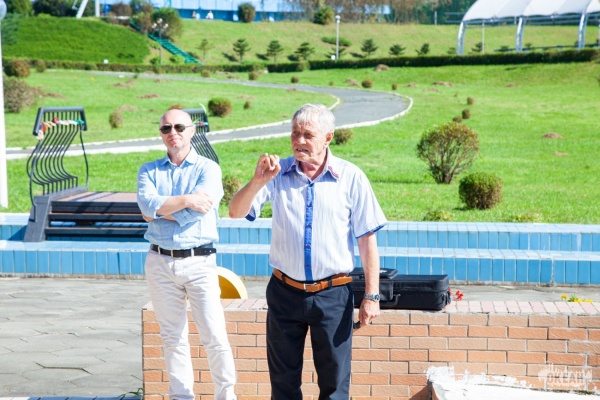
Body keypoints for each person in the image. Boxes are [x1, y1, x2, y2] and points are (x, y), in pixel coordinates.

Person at [228, 103, 386, 399]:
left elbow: (367, 240)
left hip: (333, 295)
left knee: (335, 385)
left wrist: (371, 295)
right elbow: (236, 212)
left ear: (328, 138)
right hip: (284, 293)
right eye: (294, 133)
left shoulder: (351, 177)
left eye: (308, 135)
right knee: (283, 385)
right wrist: (258, 181)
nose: (299, 141)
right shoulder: (276, 175)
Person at [137, 109, 237, 400]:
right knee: (172, 338)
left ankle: (226, 396)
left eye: (179, 127)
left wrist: (159, 211)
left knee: (214, 336)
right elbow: (146, 206)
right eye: (166, 128)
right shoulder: (148, 171)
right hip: (160, 262)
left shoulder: (209, 169)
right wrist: (186, 200)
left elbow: (194, 211)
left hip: (199, 262)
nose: (173, 133)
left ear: (192, 131)